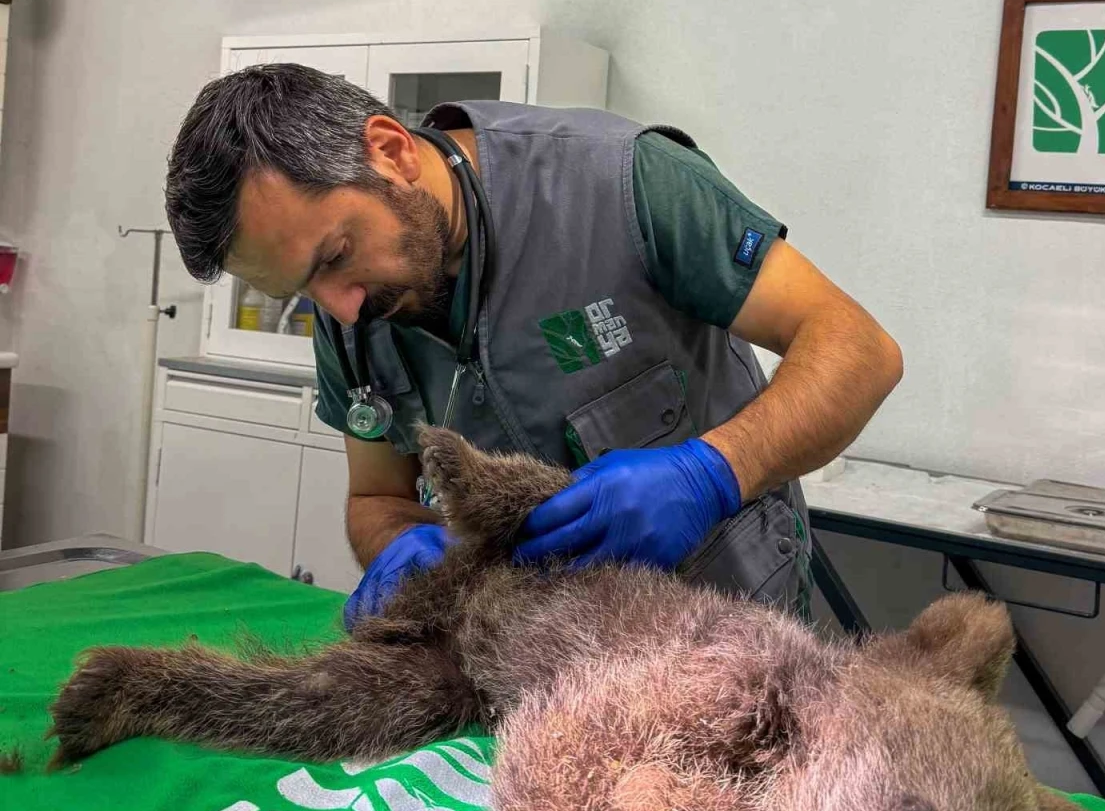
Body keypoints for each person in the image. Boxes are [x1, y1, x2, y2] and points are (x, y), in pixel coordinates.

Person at [164, 64, 902, 627]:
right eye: (302, 292)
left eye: (335, 257)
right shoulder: (350, 309)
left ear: (389, 152)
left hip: (726, 631)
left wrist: (713, 472)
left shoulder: (622, 182)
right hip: (535, 663)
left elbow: (858, 348)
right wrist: (396, 547)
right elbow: (376, 496)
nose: (341, 310)